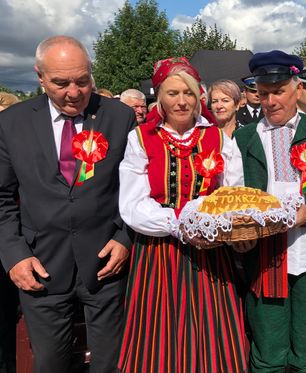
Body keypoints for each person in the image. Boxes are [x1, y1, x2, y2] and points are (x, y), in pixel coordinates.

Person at [0, 35, 136, 373]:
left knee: (111, 364)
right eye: (61, 83)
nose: (74, 92)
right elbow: (2, 198)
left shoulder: (119, 117)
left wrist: (124, 238)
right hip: (41, 266)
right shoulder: (12, 123)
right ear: (40, 77)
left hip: (107, 264)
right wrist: (14, 255)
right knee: (50, 363)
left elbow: (135, 188)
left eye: (82, 81)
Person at [117, 57, 247, 373]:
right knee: (159, 336)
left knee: (212, 332)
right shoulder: (141, 138)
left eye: (188, 93)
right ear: (159, 97)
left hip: (209, 250)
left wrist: (215, 225)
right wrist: (179, 225)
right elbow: (132, 203)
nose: (182, 101)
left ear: (198, 96)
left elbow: (233, 193)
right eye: (173, 93)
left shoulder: (218, 138)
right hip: (158, 250)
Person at [225, 50, 306, 372]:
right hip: (264, 257)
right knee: (268, 350)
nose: (270, 101)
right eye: (264, 93)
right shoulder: (243, 137)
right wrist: (240, 233)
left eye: (278, 91)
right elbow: (234, 194)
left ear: (297, 89)